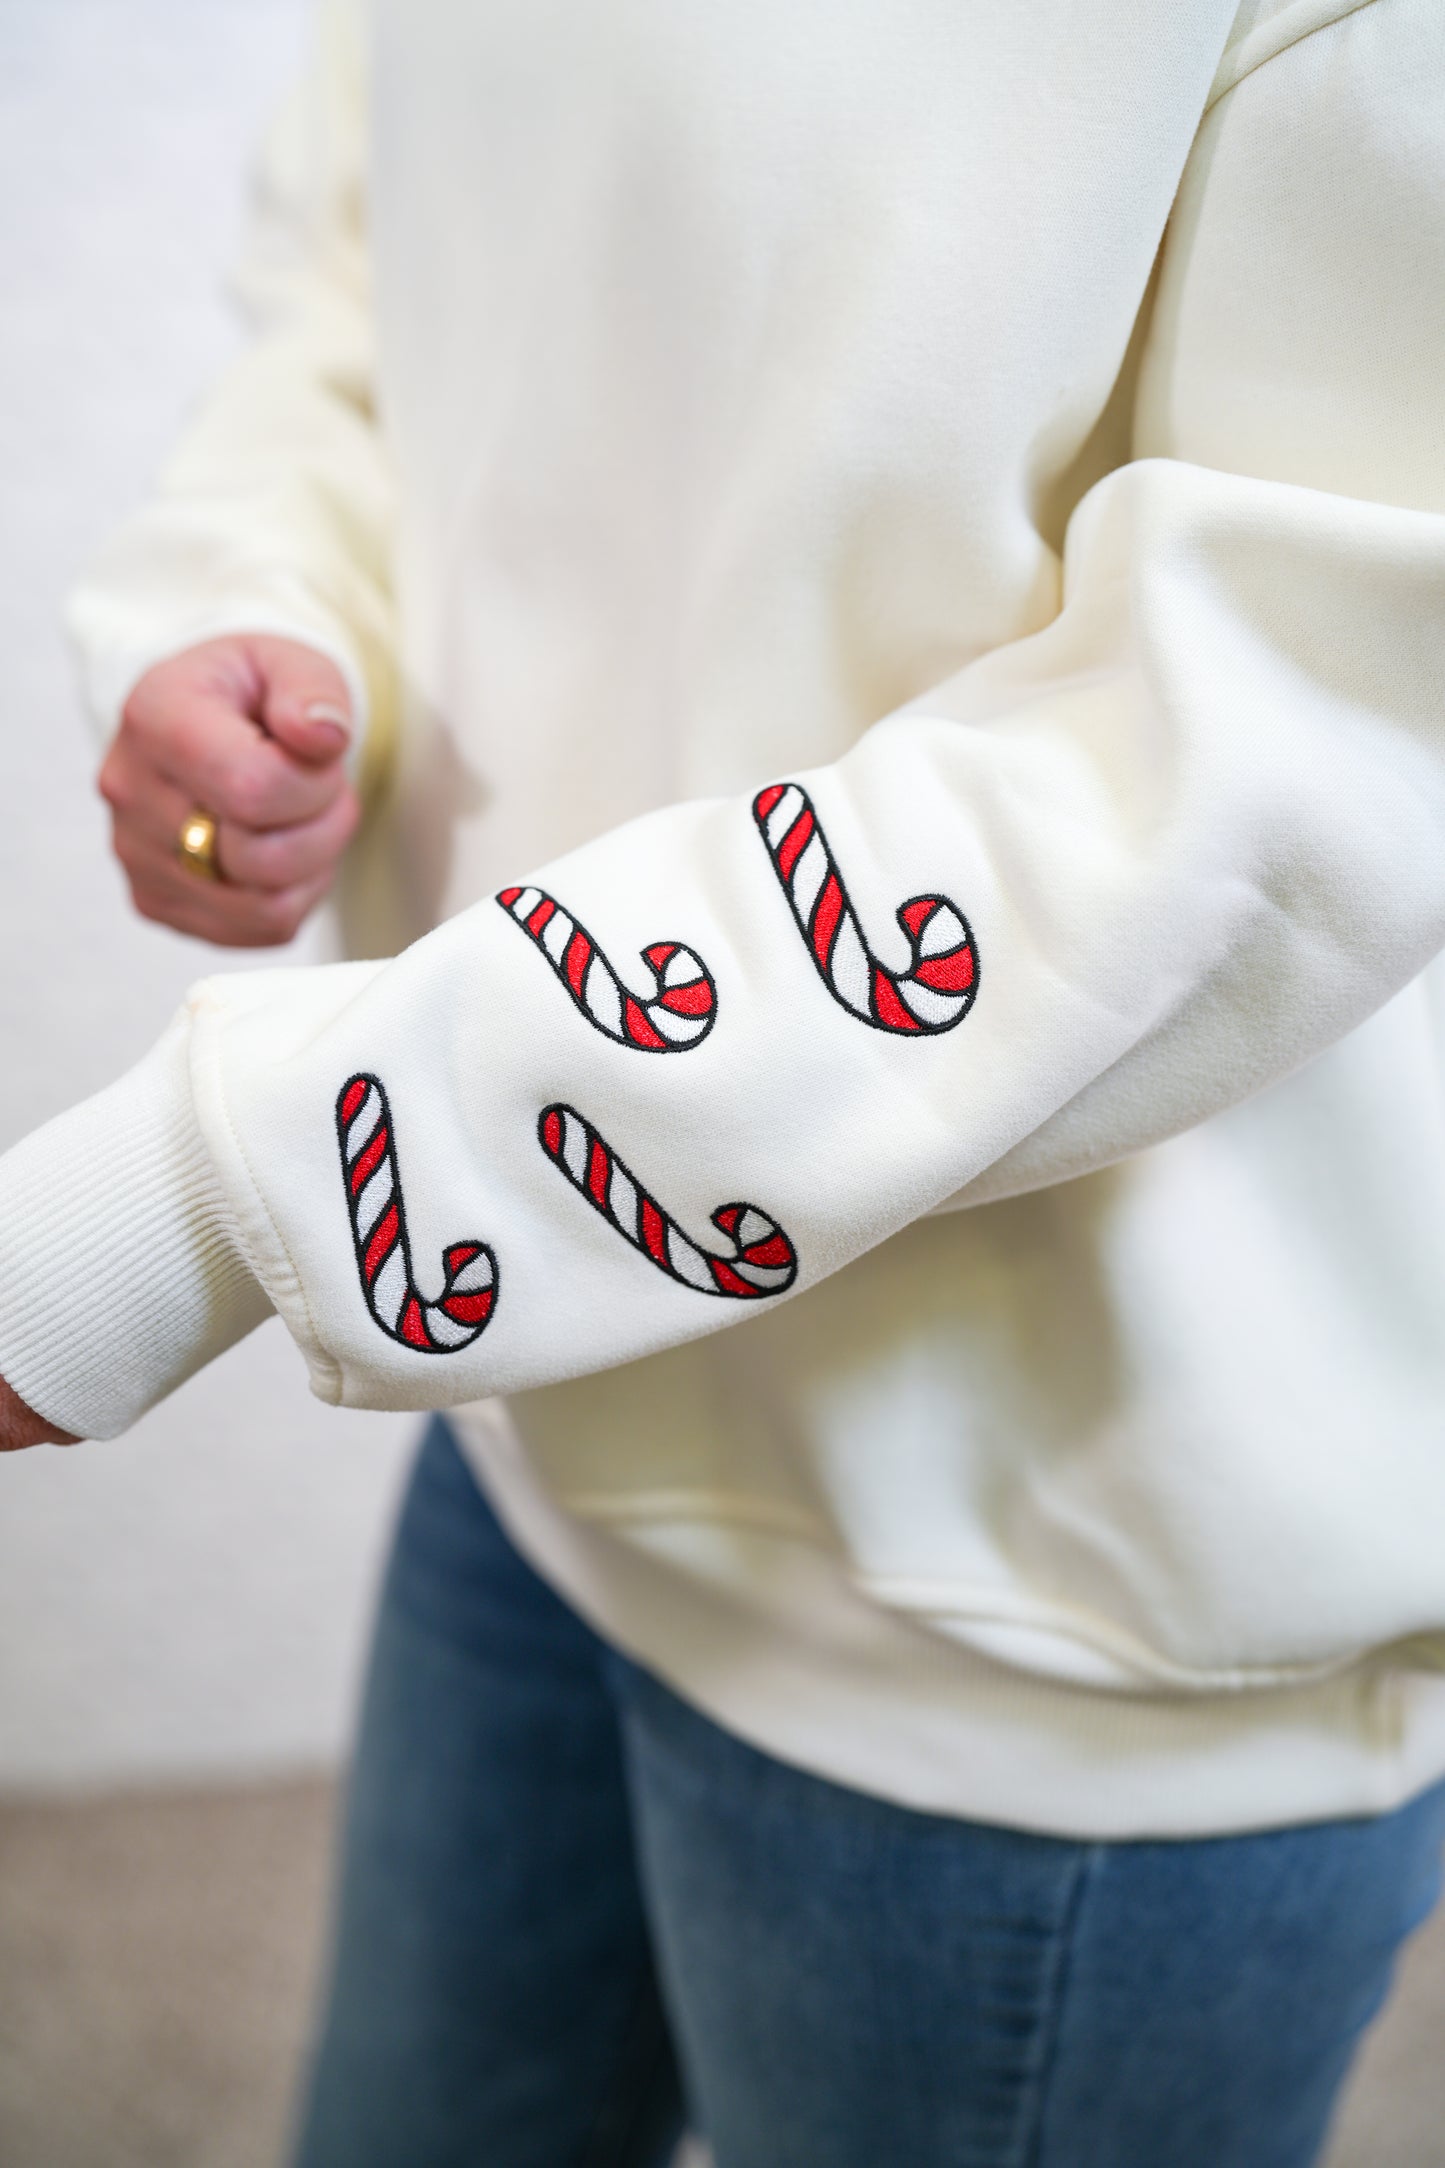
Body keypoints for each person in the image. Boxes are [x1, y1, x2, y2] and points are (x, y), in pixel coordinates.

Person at [3, 0, 1445, 2158]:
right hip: (552, 1412)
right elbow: (371, 261)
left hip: (1040, 1595)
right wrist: (266, 605)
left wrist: (214, 1196)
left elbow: (1270, 743)